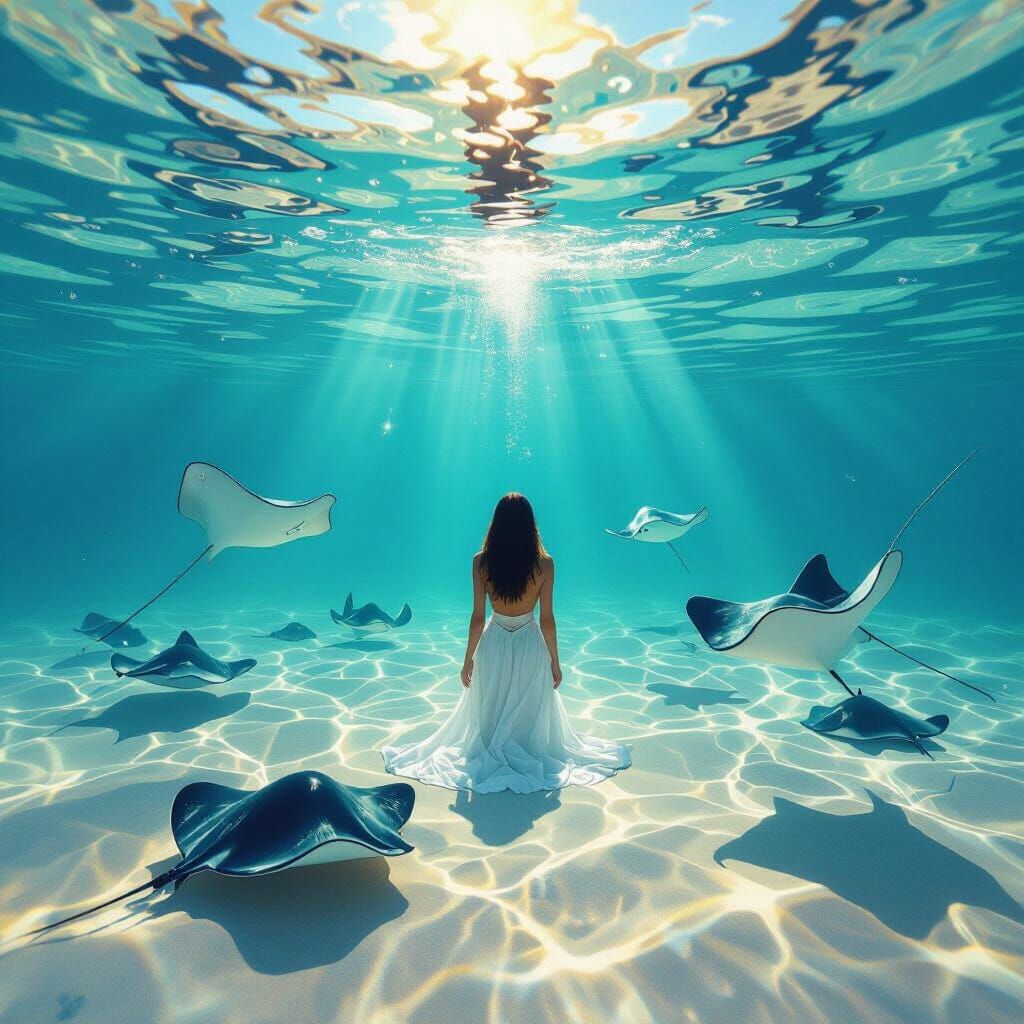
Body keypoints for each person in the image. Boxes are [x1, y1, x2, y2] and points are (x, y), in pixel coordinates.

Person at [381, 493, 631, 793]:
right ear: (530, 525)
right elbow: (547, 618)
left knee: (492, 706)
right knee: (529, 709)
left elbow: (477, 616)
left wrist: (468, 659)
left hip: (494, 641)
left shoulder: (481, 562)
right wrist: (554, 660)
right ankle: (523, 747)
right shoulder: (545, 565)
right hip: (529, 642)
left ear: (496, 524)